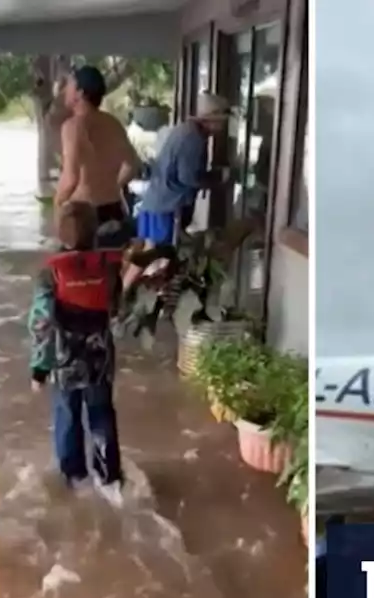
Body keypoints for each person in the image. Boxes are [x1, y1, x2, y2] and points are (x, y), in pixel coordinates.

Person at [29, 202, 126, 490]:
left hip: (64, 360)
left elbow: (41, 321)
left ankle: (74, 478)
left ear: (61, 234)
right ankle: (108, 478)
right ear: (94, 231)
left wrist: (39, 367)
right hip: (100, 357)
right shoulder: (108, 268)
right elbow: (116, 309)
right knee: (101, 414)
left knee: (67, 415)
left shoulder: (50, 273)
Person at [135, 93, 233, 253]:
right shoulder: (193, 138)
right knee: (159, 257)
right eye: (222, 121)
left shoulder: (185, 130)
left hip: (157, 202)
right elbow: (188, 178)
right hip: (168, 206)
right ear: (212, 119)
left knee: (149, 255)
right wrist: (217, 178)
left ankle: (127, 279)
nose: (223, 127)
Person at [55, 65, 141, 244]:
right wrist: (111, 185)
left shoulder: (72, 127)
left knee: (76, 269)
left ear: (80, 93)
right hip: (114, 210)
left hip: (82, 217)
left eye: (69, 85)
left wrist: (58, 206)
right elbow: (132, 166)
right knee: (111, 267)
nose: (65, 90)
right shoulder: (113, 123)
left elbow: (70, 179)